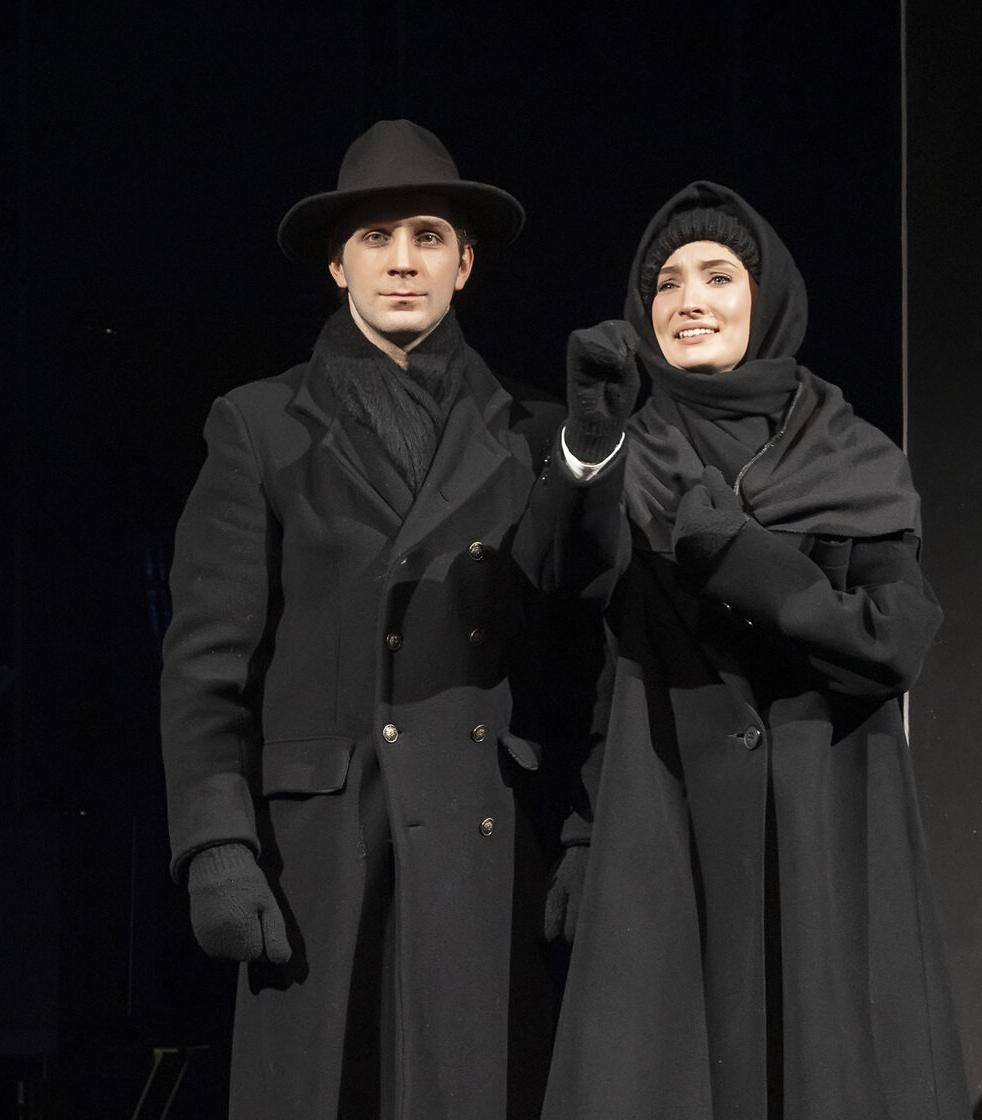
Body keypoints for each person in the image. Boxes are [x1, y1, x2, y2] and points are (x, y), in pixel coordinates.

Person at [159, 119, 580, 1119]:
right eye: (377, 238)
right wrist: (216, 845)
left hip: (483, 846)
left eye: (428, 237)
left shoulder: (538, 433)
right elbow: (206, 668)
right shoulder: (260, 424)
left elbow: (574, 661)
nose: (402, 261)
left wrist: (587, 832)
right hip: (322, 857)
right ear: (336, 264)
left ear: (464, 264)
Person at [536, 182, 973, 1119]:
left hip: (821, 819)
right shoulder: (629, 453)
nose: (688, 300)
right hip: (665, 826)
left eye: (718, 276)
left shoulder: (853, 458)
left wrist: (738, 557)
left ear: (765, 298)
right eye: (666, 283)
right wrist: (589, 447)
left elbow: (892, 643)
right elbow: (571, 602)